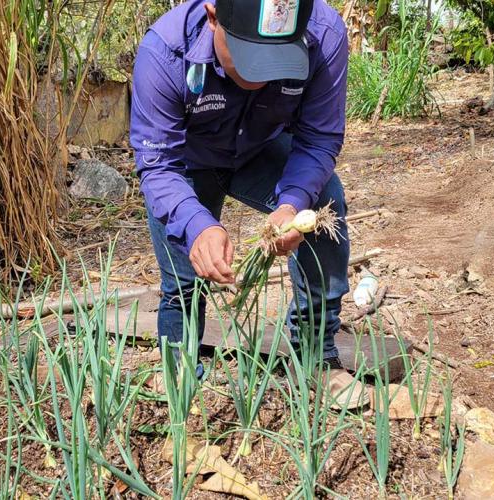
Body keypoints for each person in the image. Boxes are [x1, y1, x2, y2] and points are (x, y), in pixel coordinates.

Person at [130, 0, 366, 408]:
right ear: (213, 16)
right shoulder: (164, 53)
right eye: (248, 55)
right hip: (187, 164)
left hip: (260, 148)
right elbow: (158, 164)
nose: (261, 74)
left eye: (277, 58)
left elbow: (319, 138)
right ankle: (181, 369)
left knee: (326, 202)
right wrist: (197, 224)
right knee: (185, 279)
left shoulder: (323, 34)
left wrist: (292, 204)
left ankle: (316, 356)